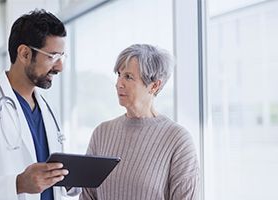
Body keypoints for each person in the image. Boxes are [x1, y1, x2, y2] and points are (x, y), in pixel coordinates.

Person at [0, 9, 79, 200]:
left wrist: (67, 179)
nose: (60, 66)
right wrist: (18, 183)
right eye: (52, 56)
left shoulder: (47, 109)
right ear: (24, 53)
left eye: (62, 57)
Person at [79, 44, 200, 200]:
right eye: (119, 74)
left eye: (128, 77)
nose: (118, 84)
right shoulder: (102, 133)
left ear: (155, 85)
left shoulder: (178, 139)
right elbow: (87, 196)